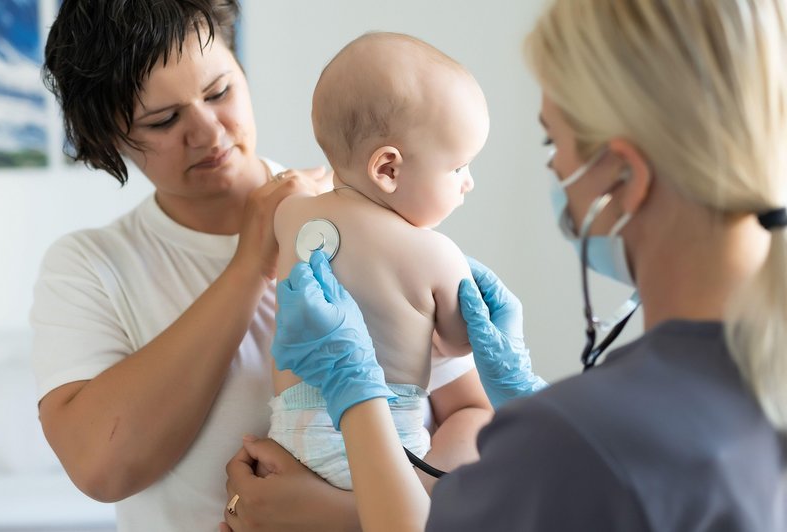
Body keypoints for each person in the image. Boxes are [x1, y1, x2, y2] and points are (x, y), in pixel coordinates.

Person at [244, 0, 787, 530]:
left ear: (623, 176)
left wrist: (354, 402)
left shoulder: (578, 442)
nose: (551, 165)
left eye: (554, 139)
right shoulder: (746, 396)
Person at [31, 1, 496, 531]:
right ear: (108, 140)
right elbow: (101, 467)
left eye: (219, 92)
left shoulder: (366, 213)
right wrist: (249, 264)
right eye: (164, 120)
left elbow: (474, 415)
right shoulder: (88, 267)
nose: (209, 132)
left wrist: (358, 513)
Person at [265, 32, 542, 491]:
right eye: (458, 167)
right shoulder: (437, 255)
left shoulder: (292, 214)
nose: (467, 183)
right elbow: (456, 343)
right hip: (389, 445)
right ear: (388, 169)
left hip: (292, 439)